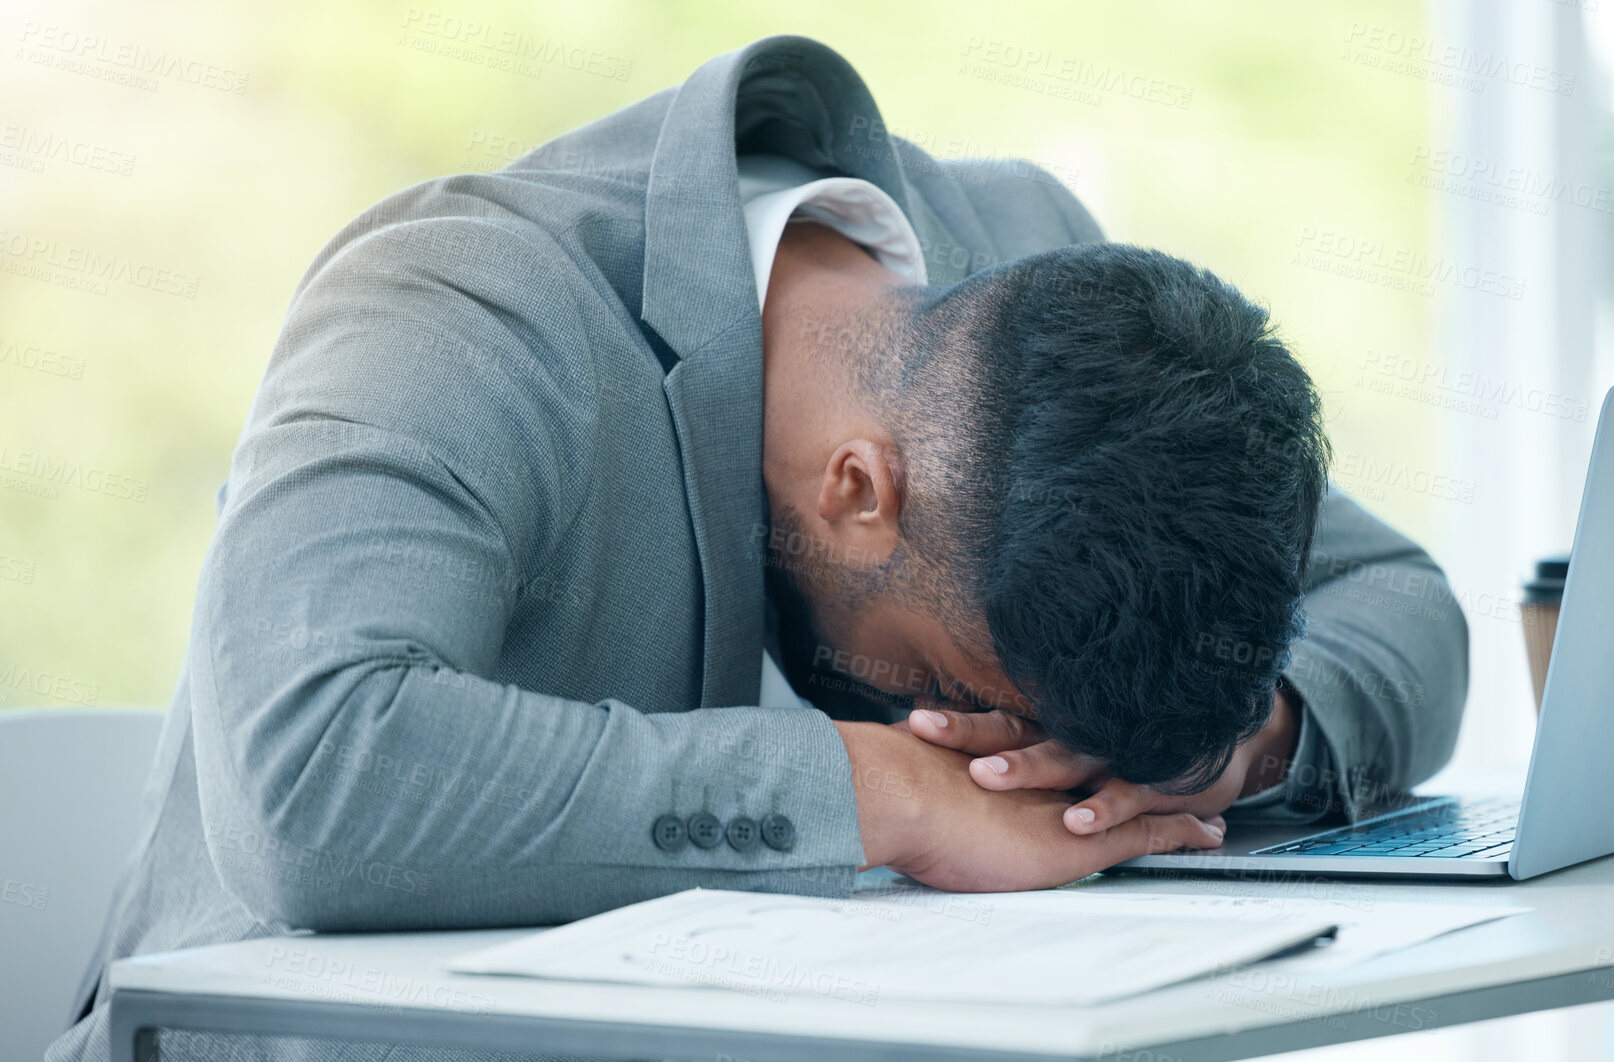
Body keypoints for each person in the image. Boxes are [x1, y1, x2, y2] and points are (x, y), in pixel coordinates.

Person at [49, 34, 1467, 1062]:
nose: (995, 745)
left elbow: (1399, 596)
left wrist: (1229, 742)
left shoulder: (1035, 278)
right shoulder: (459, 306)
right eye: (967, 684)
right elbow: (315, 778)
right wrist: (878, 791)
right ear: (860, 487)